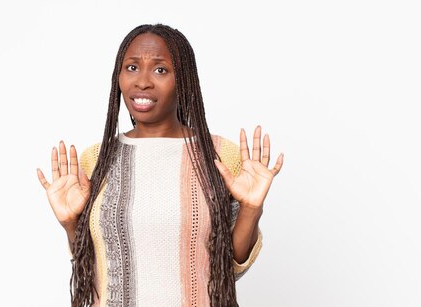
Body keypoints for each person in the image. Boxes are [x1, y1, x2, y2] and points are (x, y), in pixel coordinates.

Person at [37, 24, 284, 307]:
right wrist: (71, 225)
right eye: (131, 68)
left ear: (184, 80)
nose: (142, 82)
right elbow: (93, 269)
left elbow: (229, 268)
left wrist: (252, 209)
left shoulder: (219, 156)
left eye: (160, 70)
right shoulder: (95, 160)